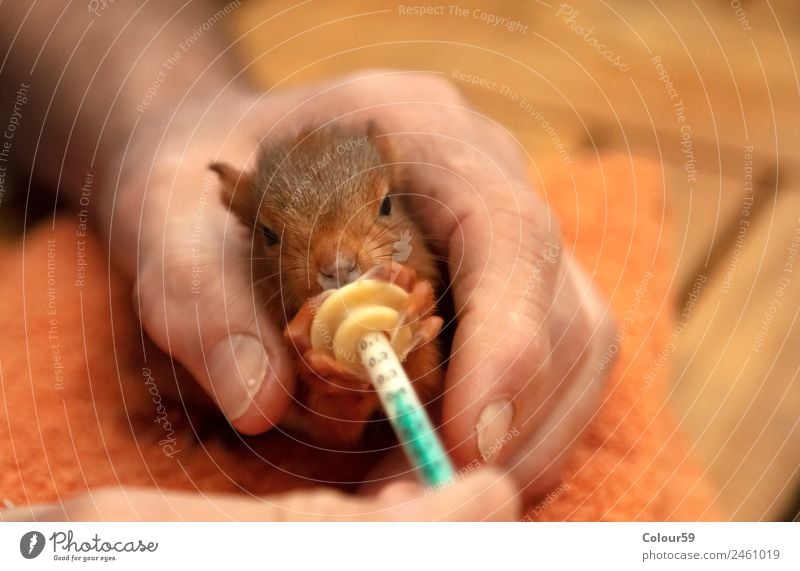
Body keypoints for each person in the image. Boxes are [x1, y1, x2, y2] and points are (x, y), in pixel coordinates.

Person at [0, 1, 614, 520]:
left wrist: (415, 337)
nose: (339, 268)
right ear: (244, 219)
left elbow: (429, 379)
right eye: (274, 236)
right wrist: (334, 384)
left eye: (378, 213)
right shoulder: (258, 298)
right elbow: (328, 423)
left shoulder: (422, 264)